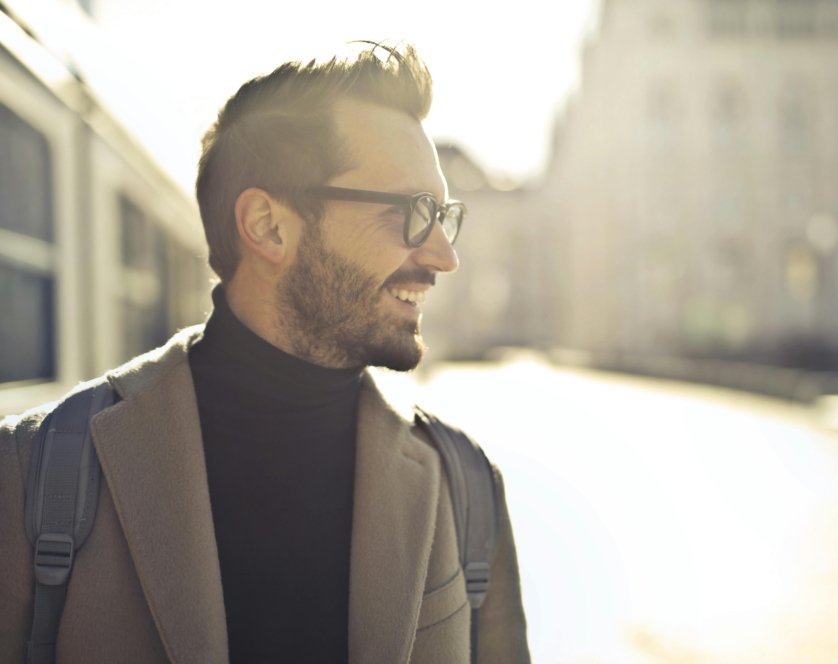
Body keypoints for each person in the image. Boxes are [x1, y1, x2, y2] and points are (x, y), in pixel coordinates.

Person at [0, 42, 529, 663]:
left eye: (443, 215)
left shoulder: (464, 483)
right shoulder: (33, 474)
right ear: (268, 226)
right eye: (412, 213)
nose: (444, 256)